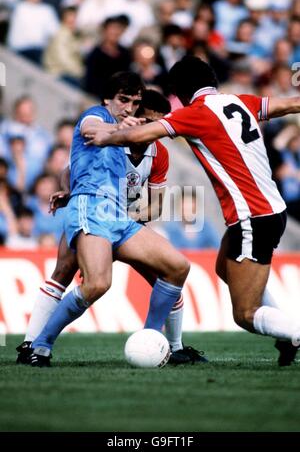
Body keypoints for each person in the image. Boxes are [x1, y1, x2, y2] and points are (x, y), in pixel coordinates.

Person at [86, 56, 300, 367]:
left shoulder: (195, 114)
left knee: (245, 314)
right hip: (269, 210)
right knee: (224, 269)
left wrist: (107, 135)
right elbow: (288, 103)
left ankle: (291, 331)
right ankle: (285, 335)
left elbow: (142, 135)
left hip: (251, 216)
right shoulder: (239, 101)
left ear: (182, 92)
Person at [16, 89, 206, 366]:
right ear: (135, 118)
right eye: (150, 122)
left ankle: (169, 346)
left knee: (171, 275)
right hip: (93, 214)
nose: (156, 130)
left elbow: (155, 206)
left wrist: (127, 215)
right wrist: (69, 191)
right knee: (64, 273)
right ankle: (32, 345)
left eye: (161, 124)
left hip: (124, 222)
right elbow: (69, 170)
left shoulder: (159, 154)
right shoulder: (112, 138)